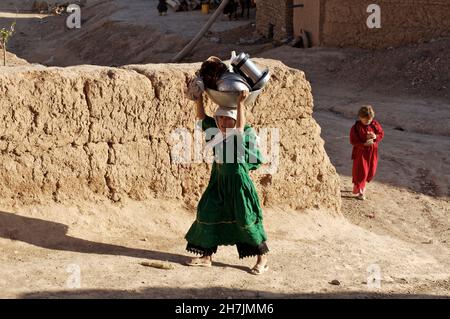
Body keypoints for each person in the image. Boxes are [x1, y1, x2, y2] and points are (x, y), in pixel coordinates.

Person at [184, 77, 269, 275]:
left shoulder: (240, 134)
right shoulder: (215, 133)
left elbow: (240, 126)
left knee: (246, 219)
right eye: (220, 118)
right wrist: (199, 97)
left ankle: (263, 258)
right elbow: (201, 117)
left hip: (238, 183)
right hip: (219, 181)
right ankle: (206, 257)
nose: (223, 122)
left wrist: (239, 103)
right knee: (207, 213)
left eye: (227, 119)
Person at [350, 105, 384, 200]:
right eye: (365, 120)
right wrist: (364, 144)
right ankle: (361, 191)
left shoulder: (374, 124)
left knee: (370, 171)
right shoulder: (356, 128)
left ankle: (357, 187)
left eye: (369, 120)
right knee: (361, 171)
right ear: (360, 117)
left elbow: (381, 133)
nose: (368, 122)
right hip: (361, 153)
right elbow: (353, 141)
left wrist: (375, 137)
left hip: (372, 153)